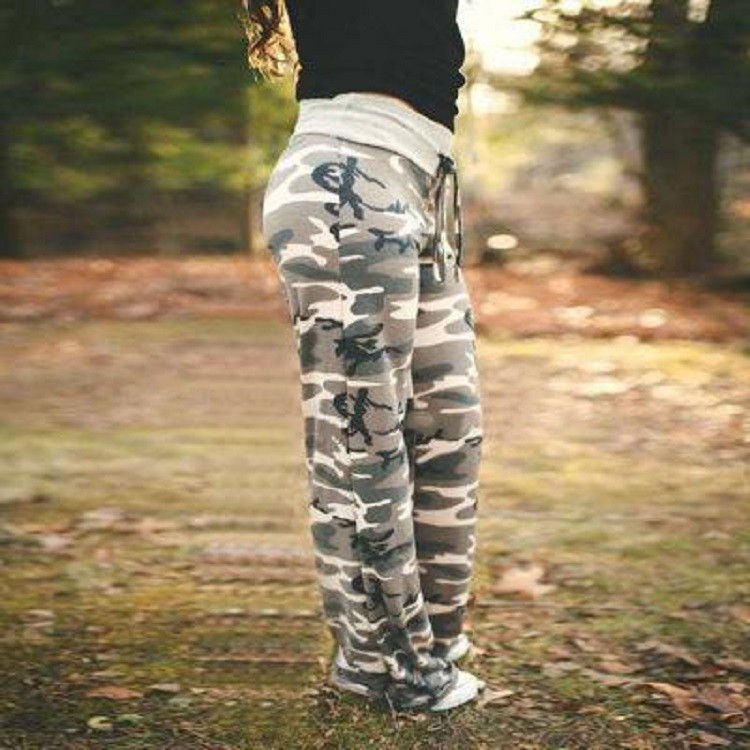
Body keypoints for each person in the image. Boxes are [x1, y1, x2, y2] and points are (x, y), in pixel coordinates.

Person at [242, 0, 485, 712]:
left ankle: (433, 638)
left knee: (448, 427)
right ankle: (386, 666)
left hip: (421, 182)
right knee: (363, 444)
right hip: (345, 183)